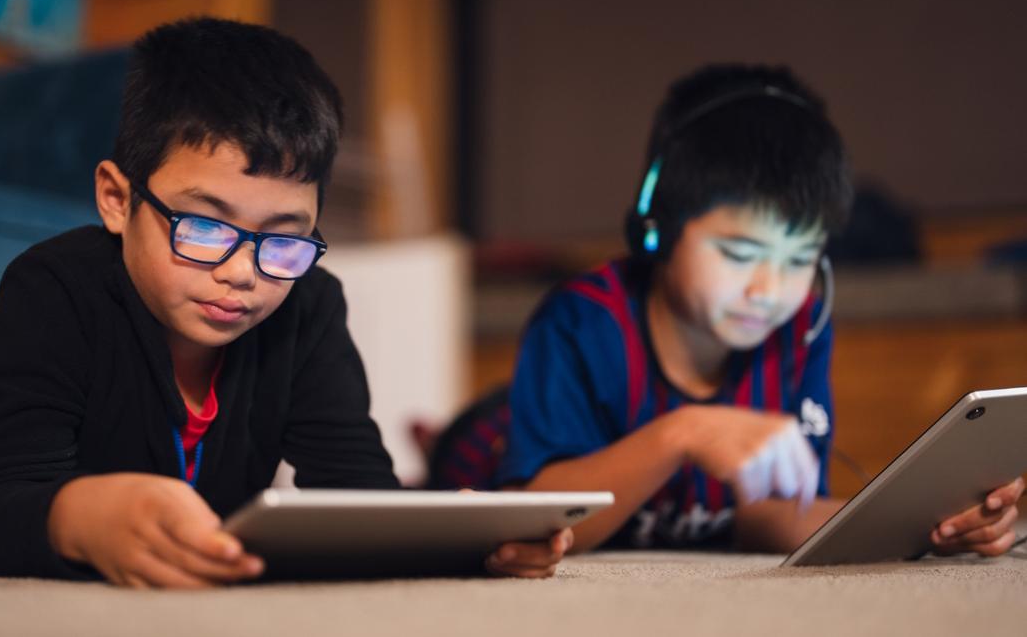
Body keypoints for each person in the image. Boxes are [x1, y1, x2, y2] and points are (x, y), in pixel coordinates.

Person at [0, 18, 569, 586]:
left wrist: (460, 539)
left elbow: (356, 493)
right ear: (117, 199)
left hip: (61, 429)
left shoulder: (308, 305)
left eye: (284, 238)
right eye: (203, 228)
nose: (244, 273)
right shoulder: (53, 286)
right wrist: (81, 514)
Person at [429, 64, 1023, 555]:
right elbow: (540, 526)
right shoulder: (583, 321)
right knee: (458, 457)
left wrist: (930, 529)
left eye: (800, 259)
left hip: (676, 513)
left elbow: (771, 517)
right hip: (488, 450)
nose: (770, 289)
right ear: (655, 229)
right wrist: (682, 434)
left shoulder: (799, 325)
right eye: (740, 253)